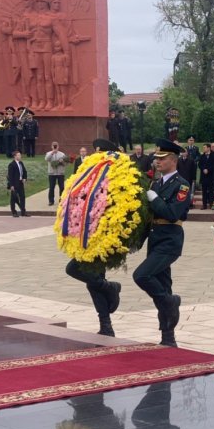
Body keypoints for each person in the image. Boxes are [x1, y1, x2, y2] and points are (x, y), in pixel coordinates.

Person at [132, 138, 192, 347]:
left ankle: (170, 302)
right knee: (163, 286)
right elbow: (150, 217)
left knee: (141, 275)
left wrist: (154, 199)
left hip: (170, 240)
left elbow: (172, 212)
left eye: (162, 158)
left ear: (173, 160)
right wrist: (137, 241)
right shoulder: (156, 183)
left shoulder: (182, 185)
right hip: (156, 239)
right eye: (156, 158)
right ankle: (168, 337)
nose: (157, 161)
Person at [65, 138, 123, 337]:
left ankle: (110, 291)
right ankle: (106, 324)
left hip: (103, 237)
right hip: (86, 235)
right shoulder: (91, 175)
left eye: (100, 152)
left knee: (75, 270)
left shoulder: (116, 175)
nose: (96, 156)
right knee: (93, 281)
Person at [7, 150, 29, 217]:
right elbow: (10, 176)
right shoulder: (11, 165)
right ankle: (14, 212)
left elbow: (24, 171)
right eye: (18, 155)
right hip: (14, 183)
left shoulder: (21, 163)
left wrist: (24, 178)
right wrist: (11, 185)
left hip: (20, 182)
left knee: (22, 197)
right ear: (15, 156)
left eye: (20, 155)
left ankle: (23, 211)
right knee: (13, 198)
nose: (20, 156)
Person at [45, 141, 67, 206]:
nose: (55, 147)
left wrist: (62, 162)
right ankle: (51, 201)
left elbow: (66, 163)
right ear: (51, 146)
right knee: (51, 187)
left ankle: (62, 199)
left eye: (56, 146)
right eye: (54, 146)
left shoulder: (62, 154)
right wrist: (52, 153)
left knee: (62, 187)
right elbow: (46, 159)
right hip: (52, 173)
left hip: (60, 173)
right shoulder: (48, 153)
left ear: (58, 146)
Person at [198, 143, 214, 209]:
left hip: (210, 176)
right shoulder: (202, 156)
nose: (203, 149)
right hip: (203, 176)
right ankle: (204, 205)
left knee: (211, 191)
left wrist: (208, 170)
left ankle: (211, 204)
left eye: (205, 147)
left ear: (208, 148)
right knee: (204, 191)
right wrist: (203, 169)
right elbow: (199, 164)